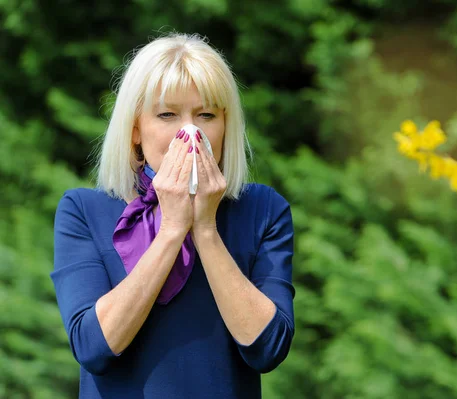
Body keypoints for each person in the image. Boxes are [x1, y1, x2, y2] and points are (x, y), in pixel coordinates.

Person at [51, 33, 295, 399]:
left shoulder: (263, 210)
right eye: (167, 114)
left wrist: (206, 230)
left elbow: (268, 348)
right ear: (135, 128)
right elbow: (92, 347)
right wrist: (171, 230)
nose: (190, 132)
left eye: (206, 114)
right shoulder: (84, 210)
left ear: (226, 125)